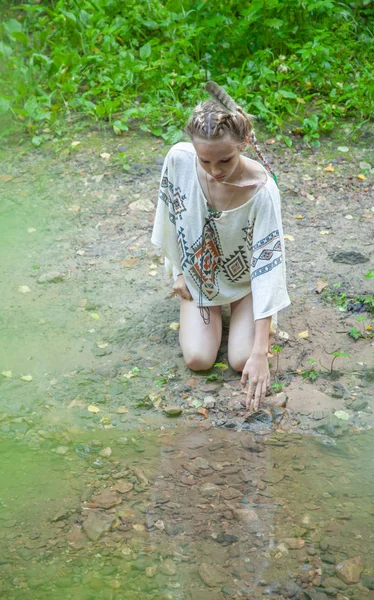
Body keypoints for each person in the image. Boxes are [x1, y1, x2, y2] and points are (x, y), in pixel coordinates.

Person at [151, 82, 290, 410]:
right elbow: (170, 216)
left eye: (225, 161)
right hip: (201, 276)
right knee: (199, 359)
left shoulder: (262, 191)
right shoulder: (179, 160)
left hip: (245, 284)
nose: (215, 172)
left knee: (242, 360)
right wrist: (181, 272)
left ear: (243, 143)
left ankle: (254, 316)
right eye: (205, 161)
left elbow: (268, 267)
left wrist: (260, 354)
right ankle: (207, 303)